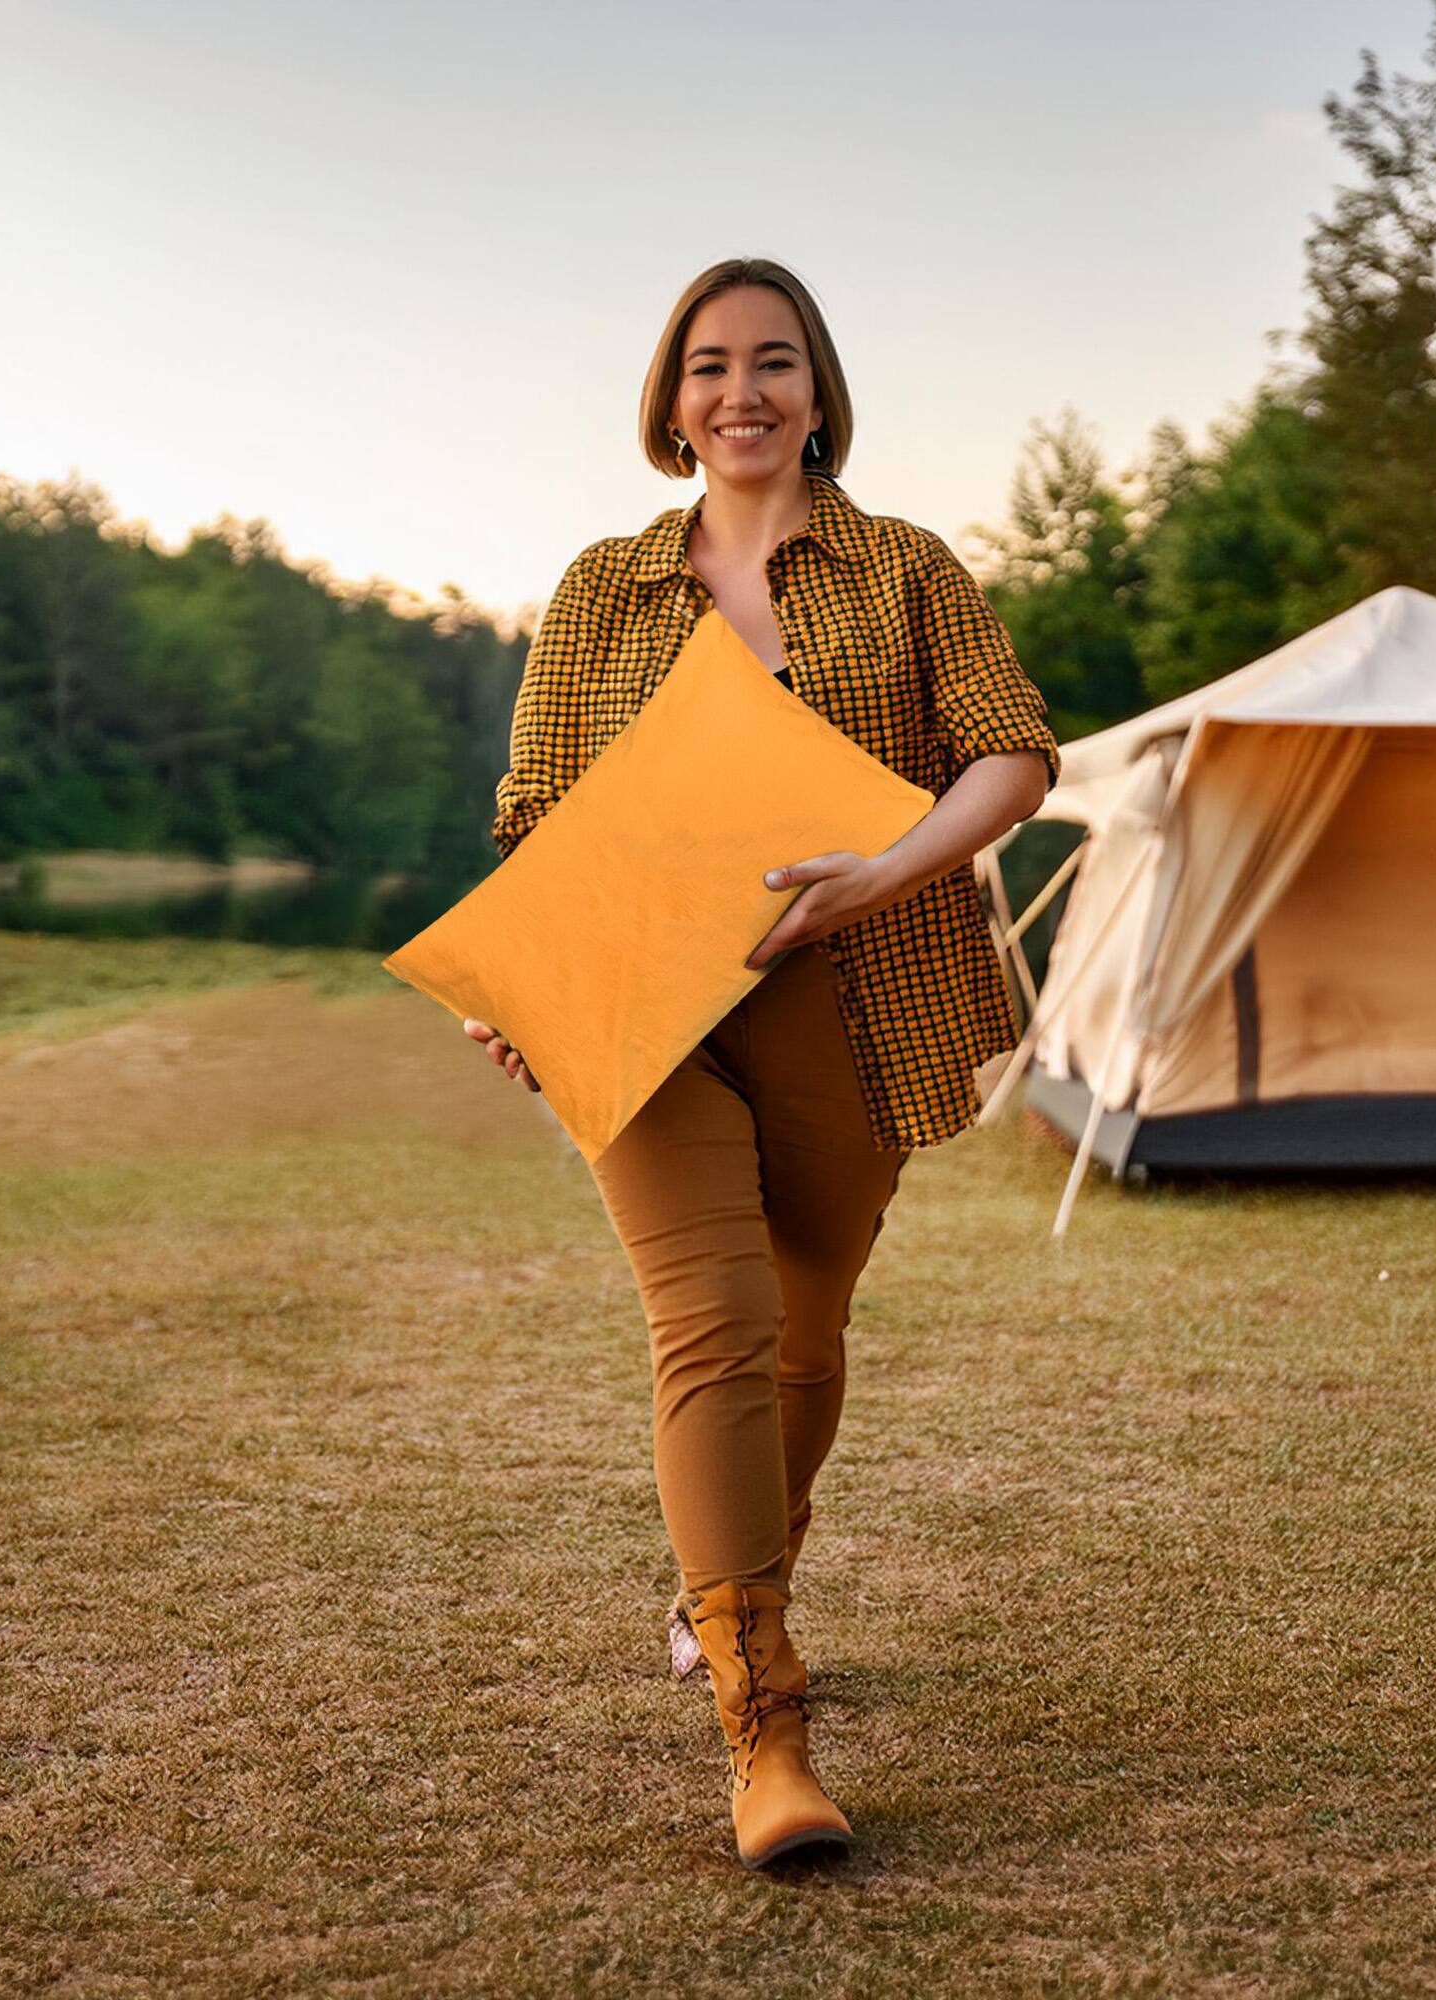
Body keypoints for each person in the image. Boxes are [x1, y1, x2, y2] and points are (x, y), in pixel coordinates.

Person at [464, 256, 1061, 1871]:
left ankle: (727, 1583)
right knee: (712, 1329)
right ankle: (764, 1727)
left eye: (775, 361)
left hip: (850, 1003)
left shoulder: (906, 570)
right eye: (711, 365)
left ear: (819, 390)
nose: (744, 391)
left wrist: (887, 869)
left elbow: (1013, 745)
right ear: (670, 403)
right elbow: (538, 814)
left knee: (804, 1337)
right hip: (642, 1015)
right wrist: (519, 978)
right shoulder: (602, 587)